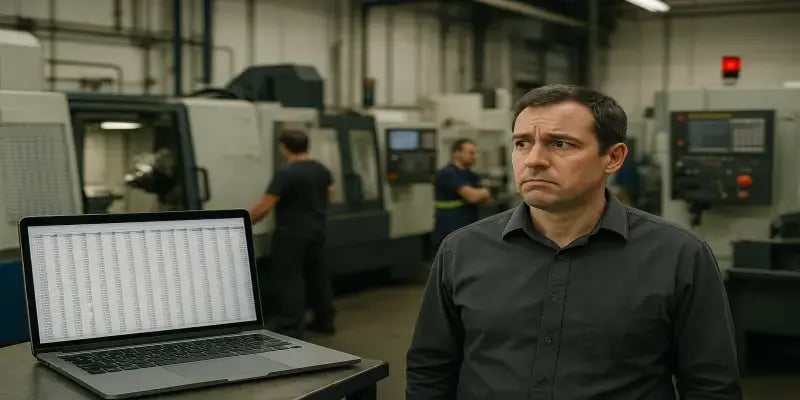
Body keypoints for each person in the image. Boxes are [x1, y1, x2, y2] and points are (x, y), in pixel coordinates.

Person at [406, 84, 741, 399]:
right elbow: (431, 368)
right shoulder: (461, 251)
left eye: (560, 144)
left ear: (613, 158)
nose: (534, 159)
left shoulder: (679, 255)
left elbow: (710, 385)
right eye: (522, 143)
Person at [249, 130, 336, 339]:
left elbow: (264, 207)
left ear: (284, 147)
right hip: (317, 230)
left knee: (289, 279)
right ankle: (325, 321)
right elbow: (331, 194)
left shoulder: (286, 173)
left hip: (291, 234)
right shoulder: (321, 169)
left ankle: (290, 326)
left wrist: (242, 222)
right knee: (318, 277)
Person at [432, 139, 491, 250]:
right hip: (450, 230)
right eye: (471, 153)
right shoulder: (448, 173)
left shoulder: (471, 175)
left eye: (475, 153)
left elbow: (486, 200)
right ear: (457, 153)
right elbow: (473, 197)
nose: (475, 156)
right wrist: (483, 193)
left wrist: (481, 194)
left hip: (468, 228)